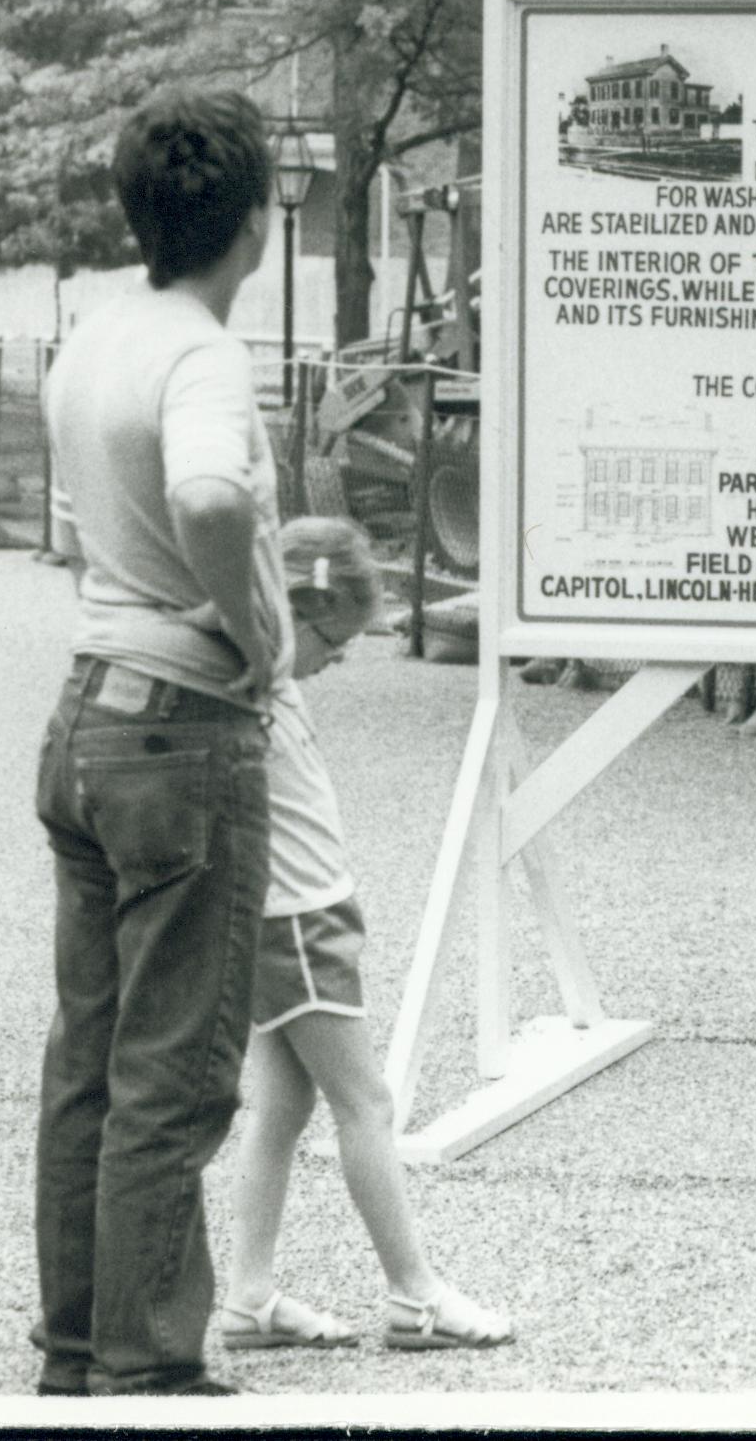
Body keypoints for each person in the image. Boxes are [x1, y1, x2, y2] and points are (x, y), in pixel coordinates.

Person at [32, 88, 288, 1397]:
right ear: (255, 220)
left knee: (89, 1047)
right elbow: (203, 489)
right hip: (181, 726)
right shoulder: (201, 352)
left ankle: (75, 1337)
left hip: (85, 708)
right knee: (175, 1064)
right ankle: (147, 1355)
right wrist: (246, 626)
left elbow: (83, 509)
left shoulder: (93, 335)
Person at [214, 515, 514, 1356]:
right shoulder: (258, 664)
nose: (331, 661)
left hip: (303, 912)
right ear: (297, 611)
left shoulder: (268, 668)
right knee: (365, 1103)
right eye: (332, 643)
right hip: (298, 917)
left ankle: (248, 1295)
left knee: (284, 1103)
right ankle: (413, 1292)